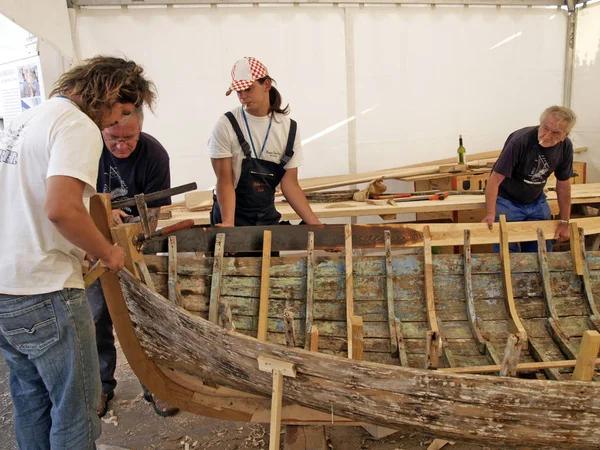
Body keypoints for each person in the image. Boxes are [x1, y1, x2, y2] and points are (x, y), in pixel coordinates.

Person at [0, 56, 155, 449]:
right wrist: (106, 251)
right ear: (109, 93)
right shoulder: (76, 124)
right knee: (75, 411)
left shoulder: (25, 120)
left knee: (32, 401)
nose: (113, 125)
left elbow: (30, 204)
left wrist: (77, 245)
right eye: (120, 112)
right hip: (44, 289)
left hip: (6, 287)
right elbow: (61, 208)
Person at [88, 106, 179, 418]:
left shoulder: (154, 155)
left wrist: (131, 226)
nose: (122, 145)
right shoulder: (86, 150)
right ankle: (101, 385)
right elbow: (70, 200)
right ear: (102, 129)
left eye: (130, 138)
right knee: (97, 317)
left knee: (144, 316)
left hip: (137, 245)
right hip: (93, 245)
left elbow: (155, 214)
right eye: (114, 138)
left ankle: (155, 384)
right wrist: (101, 212)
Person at [209, 56, 321, 227]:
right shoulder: (226, 125)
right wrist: (228, 223)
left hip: (265, 217)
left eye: (249, 89)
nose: (243, 97)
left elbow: (290, 184)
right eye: (239, 91)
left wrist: (316, 226)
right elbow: (225, 180)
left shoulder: (288, 129)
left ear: (267, 85)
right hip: (230, 213)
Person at [482, 105, 577, 252]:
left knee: (541, 252)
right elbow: (495, 179)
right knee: (506, 254)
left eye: (555, 133)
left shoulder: (565, 147)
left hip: (536, 200)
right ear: (541, 122)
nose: (547, 136)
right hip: (507, 199)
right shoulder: (520, 141)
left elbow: (563, 184)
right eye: (545, 128)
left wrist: (564, 221)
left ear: (565, 135)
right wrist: (490, 213)